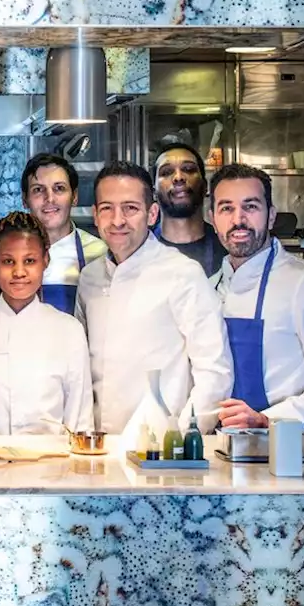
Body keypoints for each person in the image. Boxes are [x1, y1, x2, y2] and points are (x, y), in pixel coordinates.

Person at [75, 161, 233, 447]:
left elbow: (214, 371)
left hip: (161, 450)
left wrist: (181, 438)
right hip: (97, 448)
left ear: (152, 213)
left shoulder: (183, 274)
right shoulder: (89, 278)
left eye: (130, 208)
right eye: (107, 208)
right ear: (96, 216)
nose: (118, 220)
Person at [209, 164, 304, 429]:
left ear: (271, 216)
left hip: (291, 450)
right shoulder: (208, 289)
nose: (238, 219)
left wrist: (269, 420)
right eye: (226, 208)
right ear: (212, 218)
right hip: (222, 447)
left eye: (251, 206)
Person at [0, 212, 92, 435]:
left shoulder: (69, 331)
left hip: (51, 466)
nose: (19, 272)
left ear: (45, 261)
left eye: (29, 261)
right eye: (8, 261)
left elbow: (80, 419)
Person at [20, 153, 105, 313]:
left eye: (59, 188)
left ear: (74, 197)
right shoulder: (5, 255)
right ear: (25, 200)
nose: (49, 198)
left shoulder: (99, 253)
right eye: (38, 190)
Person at [152, 142, 227, 277]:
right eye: (167, 172)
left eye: (188, 169)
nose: (178, 177)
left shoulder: (228, 247)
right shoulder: (139, 249)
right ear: (154, 192)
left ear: (205, 187)